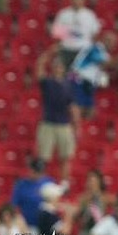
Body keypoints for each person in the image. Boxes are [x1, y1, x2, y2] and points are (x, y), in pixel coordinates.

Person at [35, 44, 79, 187]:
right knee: (44, 157)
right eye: (56, 65)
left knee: (65, 157)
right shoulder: (47, 83)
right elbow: (39, 66)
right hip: (48, 123)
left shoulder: (68, 85)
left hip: (63, 124)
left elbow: (72, 106)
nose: (58, 68)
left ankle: (64, 183)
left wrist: (76, 125)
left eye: (60, 66)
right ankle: (42, 181)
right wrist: (50, 52)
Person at [51, 0, 101, 70]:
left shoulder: (90, 15)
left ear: (84, 0)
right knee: (66, 74)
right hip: (66, 49)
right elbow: (58, 35)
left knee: (82, 75)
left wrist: (91, 49)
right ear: (71, 0)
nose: (77, 1)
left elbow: (95, 33)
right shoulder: (64, 14)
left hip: (83, 50)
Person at [11, 157, 55, 230]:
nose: (37, 174)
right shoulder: (21, 185)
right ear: (30, 170)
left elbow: (56, 203)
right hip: (28, 226)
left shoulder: (49, 182)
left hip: (47, 225)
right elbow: (13, 206)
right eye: (35, 171)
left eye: (40, 172)